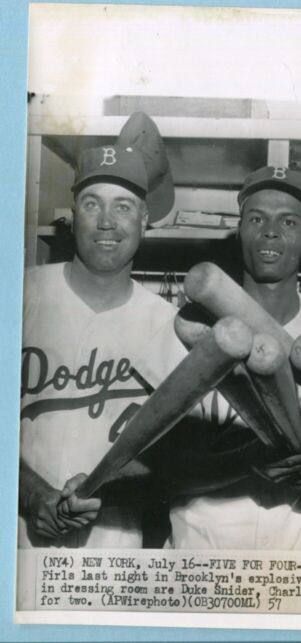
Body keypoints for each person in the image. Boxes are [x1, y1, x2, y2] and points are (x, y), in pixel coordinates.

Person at [165, 166, 301, 550]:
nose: (271, 231)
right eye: (257, 218)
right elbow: (162, 470)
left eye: (289, 221)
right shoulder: (191, 332)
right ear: (240, 230)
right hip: (202, 550)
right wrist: (247, 463)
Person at [19, 132, 180, 548]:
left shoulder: (169, 326)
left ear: (145, 220)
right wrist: (32, 493)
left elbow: (178, 462)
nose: (107, 221)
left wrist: (105, 488)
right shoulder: (18, 297)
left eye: (123, 206)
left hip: (115, 545)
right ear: (73, 216)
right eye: (92, 204)